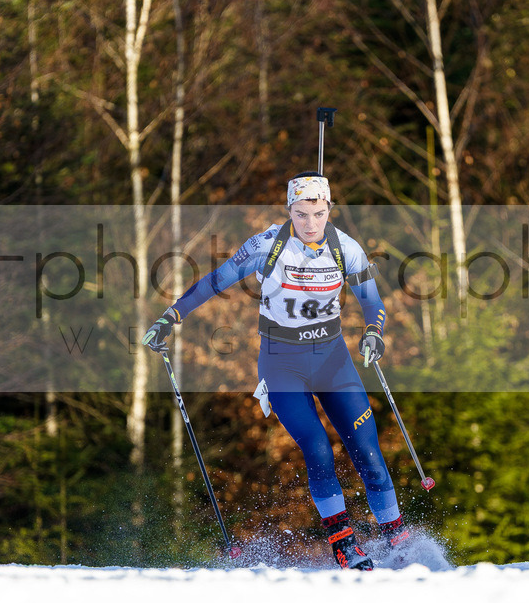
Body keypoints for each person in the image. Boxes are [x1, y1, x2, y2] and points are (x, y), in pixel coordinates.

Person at [142, 172, 410, 570]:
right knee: (317, 447)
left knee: (368, 451)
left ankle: (400, 542)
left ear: (329, 210)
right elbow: (215, 281)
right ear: (289, 211)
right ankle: (344, 543)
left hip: (333, 361)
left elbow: (372, 301)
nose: (310, 223)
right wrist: (171, 315)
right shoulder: (267, 245)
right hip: (282, 362)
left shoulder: (346, 249)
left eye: (318, 214)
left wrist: (374, 332)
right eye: (300, 214)